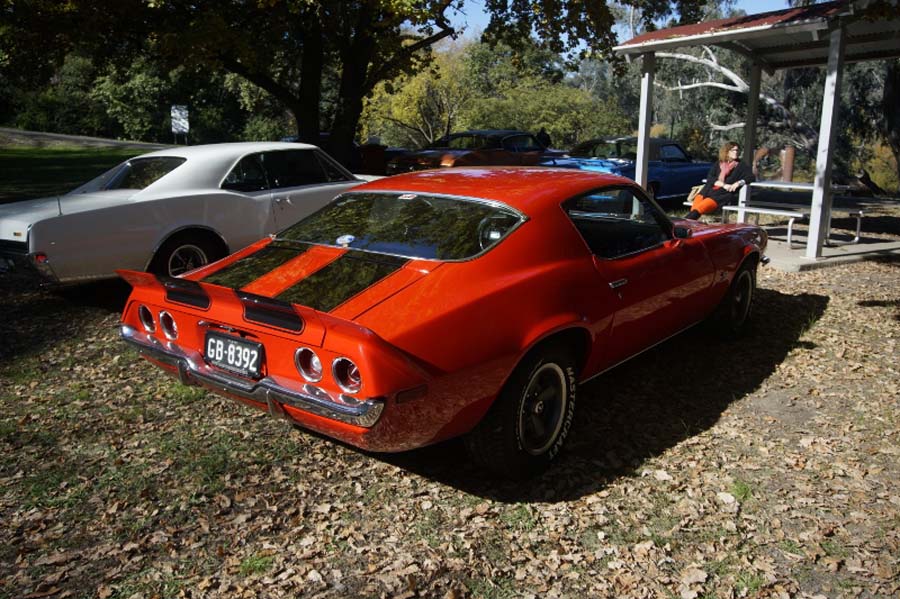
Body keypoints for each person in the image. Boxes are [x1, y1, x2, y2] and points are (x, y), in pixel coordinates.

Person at [685, 141, 754, 220]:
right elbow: (710, 178)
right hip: (706, 191)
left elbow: (751, 177)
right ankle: (689, 226)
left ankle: (682, 225)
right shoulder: (719, 163)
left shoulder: (741, 165)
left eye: (737, 150)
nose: (736, 152)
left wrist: (738, 183)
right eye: (733, 150)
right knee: (694, 209)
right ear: (727, 151)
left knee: (700, 208)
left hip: (721, 195)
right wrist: (723, 184)